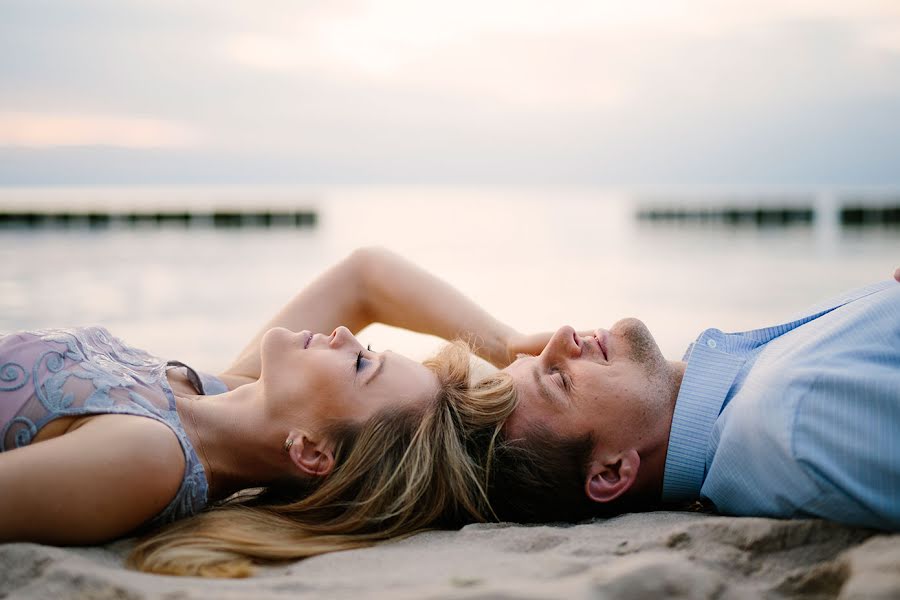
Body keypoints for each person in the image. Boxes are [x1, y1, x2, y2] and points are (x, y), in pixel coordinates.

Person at [0, 248, 521, 577]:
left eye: (362, 364)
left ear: (311, 450)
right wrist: (506, 343)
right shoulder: (224, 392)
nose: (345, 335)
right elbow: (366, 277)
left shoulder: (150, 458)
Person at [485, 270, 900, 530]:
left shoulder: (760, 393)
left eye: (534, 356)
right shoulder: (791, 418)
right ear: (612, 471)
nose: (561, 336)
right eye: (558, 379)